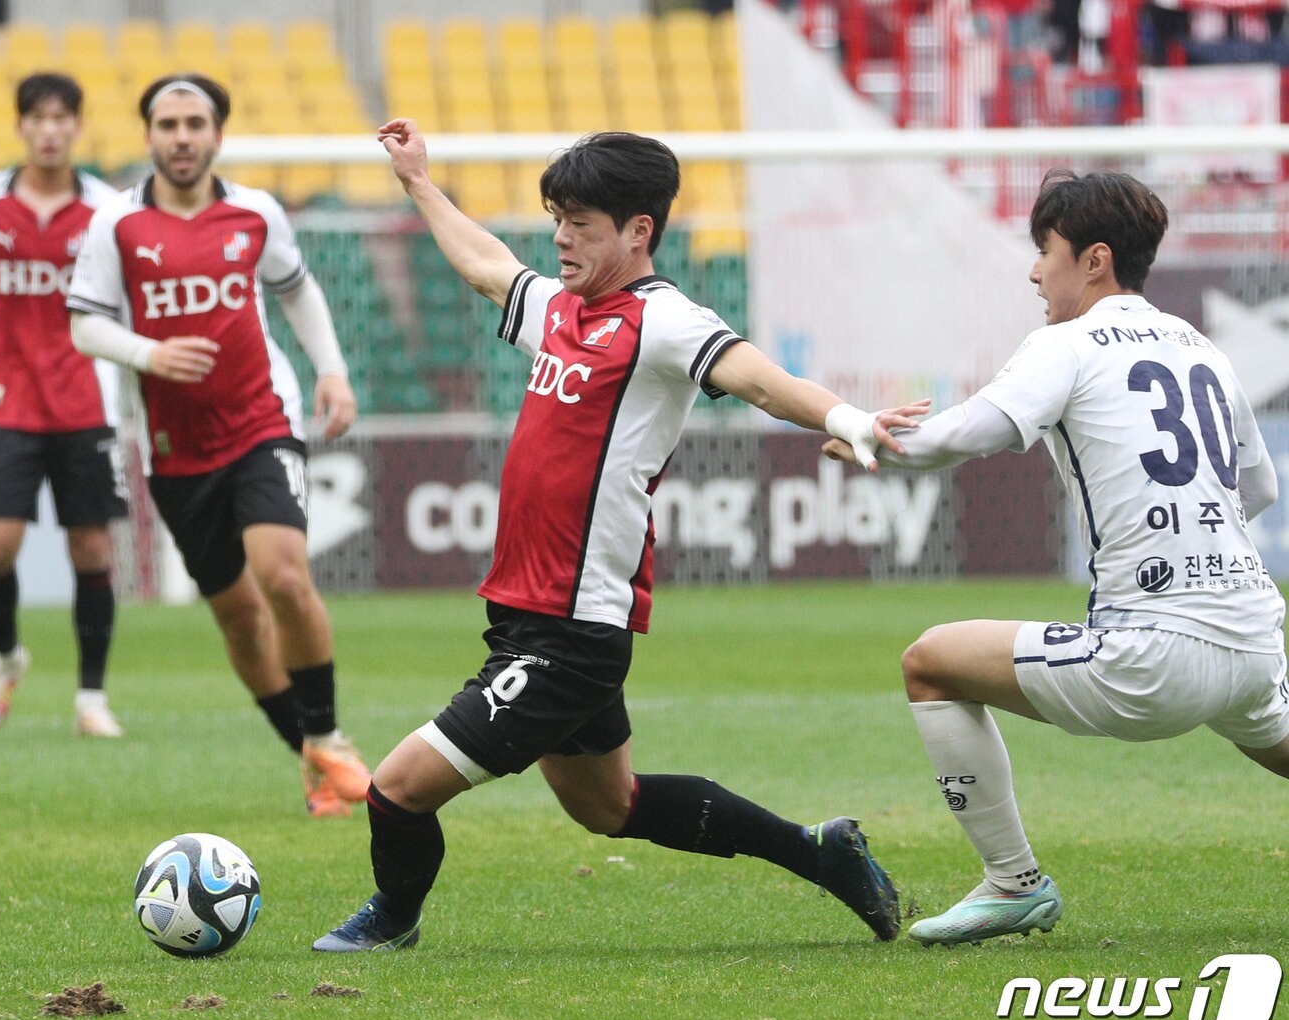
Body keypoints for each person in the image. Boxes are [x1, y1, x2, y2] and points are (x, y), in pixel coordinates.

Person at [311, 119, 929, 953]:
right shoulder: (564, 310)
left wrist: (847, 417)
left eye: (582, 223)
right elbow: (491, 267)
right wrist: (419, 182)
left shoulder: (663, 321)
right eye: (558, 217)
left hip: (571, 632)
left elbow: (757, 377)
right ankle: (822, 853)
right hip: (530, 616)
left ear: (640, 231)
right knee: (610, 805)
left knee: (394, 791)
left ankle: (393, 919)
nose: (561, 236)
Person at [824, 169, 1286, 946]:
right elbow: (1261, 486)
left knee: (930, 662)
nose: (1036, 271)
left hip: (1152, 656)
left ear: (1094, 259)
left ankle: (1015, 882)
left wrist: (878, 440)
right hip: (1254, 636)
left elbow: (978, 428)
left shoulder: (1068, 343)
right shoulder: (1202, 345)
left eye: (1046, 250)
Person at [65, 74, 372, 817]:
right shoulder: (116, 224)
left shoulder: (255, 213)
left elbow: (295, 288)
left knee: (284, 576)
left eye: (194, 122)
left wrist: (330, 369)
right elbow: (84, 322)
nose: (180, 136)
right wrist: (147, 352)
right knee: (237, 615)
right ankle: (307, 752)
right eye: (167, 123)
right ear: (149, 136)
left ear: (217, 134)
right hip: (176, 450)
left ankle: (329, 735)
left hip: (263, 420)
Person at [0, 72, 127, 739]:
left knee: (92, 548)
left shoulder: (107, 209)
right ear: (19, 126)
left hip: (85, 399)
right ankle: (6, 656)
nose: (49, 130)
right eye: (37, 118)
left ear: (78, 126)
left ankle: (91, 696)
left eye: (61, 118)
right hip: (9, 399)